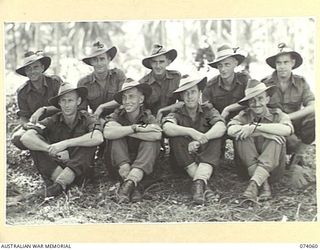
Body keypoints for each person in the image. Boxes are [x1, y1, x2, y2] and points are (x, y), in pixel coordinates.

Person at [17, 82, 103, 200]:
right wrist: (52, 149)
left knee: (89, 141)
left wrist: (65, 144)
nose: (66, 105)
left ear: (78, 101)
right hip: (57, 168)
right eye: (63, 101)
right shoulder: (53, 119)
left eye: (70, 101)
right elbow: (26, 137)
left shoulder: (87, 118)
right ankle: (62, 184)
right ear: (59, 103)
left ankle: (59, 185)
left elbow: (98, 137)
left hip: (79, 170)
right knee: (35, 144)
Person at [162, 77, 226, 205]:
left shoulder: (207, 110)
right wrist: (191, 132)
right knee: (176, 135)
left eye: (193, 92)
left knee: (216, 136)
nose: (189, 96)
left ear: (200, 94)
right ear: (181, 96)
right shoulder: (177, 112)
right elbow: (167, 127)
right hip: (183, 163)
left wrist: (201, 140)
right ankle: (204, 186)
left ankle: (198, 183)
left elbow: (221, 126)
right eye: (185, 93)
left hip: (206, 161)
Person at [227, 79, 294, 201]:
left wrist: (255, 127)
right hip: (247, 170)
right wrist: (256, 131)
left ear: (267, 99)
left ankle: (255, 184)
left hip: (274, 171)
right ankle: (262, 184)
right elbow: (230, 130)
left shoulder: (277, 115)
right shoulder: (244, 115)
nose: (256, 103)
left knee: (277, 138)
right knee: (242, 135)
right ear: (248, 103)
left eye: (260, 99)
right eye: (252, 100)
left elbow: (287, 130)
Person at [104, 79, 162, 203]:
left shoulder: (147, 116)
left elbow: (157, 134)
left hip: (142, 164)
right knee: (115, 138)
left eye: (131, 97)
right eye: (124, 98)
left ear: (141, 100)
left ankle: (128, 185)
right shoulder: (118, 114)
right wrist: (135, 128)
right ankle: (132, 184)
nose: (127, 101)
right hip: (120, 165)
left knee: (151, 142)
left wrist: (128, 132)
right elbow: (108, 132)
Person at [261, 43, 315, 166]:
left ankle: (298, 154)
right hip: (275, 125)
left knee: (315, 116)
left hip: (295, 122)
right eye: (279, 63)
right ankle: (281, 154)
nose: (282, 66)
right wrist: (281, 122)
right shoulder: (265, 83)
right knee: (290, 143)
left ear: (293, 63)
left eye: (286, 62)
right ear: (275, 65)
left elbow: (313, 105)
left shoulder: (301, 82)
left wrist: (288, 117)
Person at [11, 51, 62, 150]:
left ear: (42, 68)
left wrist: (44, 109)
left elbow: (65, 105)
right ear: (25, 72)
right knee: (17, 138)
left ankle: (49, 153)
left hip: (58, 122)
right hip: (37, 127)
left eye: (35, 67)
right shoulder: (22, 91)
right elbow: (23, 116)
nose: (32, 71)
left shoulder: (54, 82)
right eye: (28, 69)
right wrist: (26, 124)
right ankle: (46, 149)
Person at [78, 41, 126, 118]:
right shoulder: (84, 83)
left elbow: (124, 99)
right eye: (95, 60)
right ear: (91, 62)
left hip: (119, 118)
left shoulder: (118, 76)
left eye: (102, 59)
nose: (99, 63)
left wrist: (102, 107)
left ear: (109, 59)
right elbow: (82, 109)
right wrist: (90, 118)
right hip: (96, 119)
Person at [139, 44, 181, 121]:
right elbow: (140, 108)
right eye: (154, 62)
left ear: (168, 62)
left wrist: (162, 111)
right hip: (150, 120)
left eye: (161, 62)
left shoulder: (176, 77)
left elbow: (182, 102)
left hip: (172, 117)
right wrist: (151, 119)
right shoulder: (143, 83)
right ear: (150, 64)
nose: (158, 66)